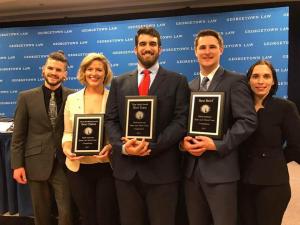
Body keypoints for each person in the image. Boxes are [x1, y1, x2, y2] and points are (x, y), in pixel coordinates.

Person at [105, 26, 190, 225]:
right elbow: (110, 119)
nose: (147, 48)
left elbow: (181, 120)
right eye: (142, 44)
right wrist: (123, 147)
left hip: (162, 172)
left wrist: (152, 145)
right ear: (135, 49)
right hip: (126, 172)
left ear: (160, 49)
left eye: (153, 44)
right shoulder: (119, 82)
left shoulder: (177, 81)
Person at [181, 29, 257, 225]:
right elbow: (183, 124)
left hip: (222, 171)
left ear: (221, 49)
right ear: (195, 51)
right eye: (202, 47)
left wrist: (217, 144)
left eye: (212, 47)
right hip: (191, 172)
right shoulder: (189, 86)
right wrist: (183, 143)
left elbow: (247, 121)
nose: (207, 51)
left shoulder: (235, 81)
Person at [10, 51, 74, 225]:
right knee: (41, 212)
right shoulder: (26, 97)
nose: (54, 72)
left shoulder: (74, 96)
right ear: (43, 70)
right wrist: (17, 165)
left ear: (65, 74)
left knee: (67, 212)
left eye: (59, 70)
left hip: (64, 162)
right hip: (35, 162)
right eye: (50, 68)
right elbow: (18, 135)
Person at [238, 59, 300, 225]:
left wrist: (275, 158)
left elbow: (296, 145)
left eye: (266, 76)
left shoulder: (286, 107)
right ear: (248, 80)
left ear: (273, 81)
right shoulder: (240, 107)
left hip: (272, 183)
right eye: (255, 76)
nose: (260, 81)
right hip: (242, 181)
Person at [62, 53, 119, 225]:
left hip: (105, 167)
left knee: (105, 216)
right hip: (78, 169)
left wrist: (110, 148)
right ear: (83, 72)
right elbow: (68, 132)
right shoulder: (72, 99)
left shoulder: (114, 98)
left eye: (99, 70)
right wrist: (67, 148)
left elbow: (118, 132)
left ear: (105, 73)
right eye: (90, 69)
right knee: (87, 217)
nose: (94, 73)